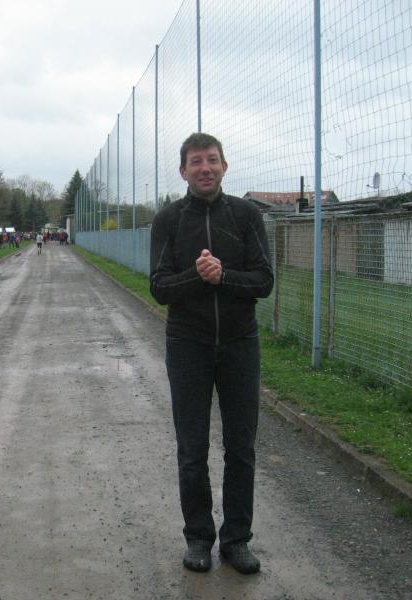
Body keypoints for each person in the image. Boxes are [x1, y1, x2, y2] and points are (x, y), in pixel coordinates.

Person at [149, 133, 274, 575]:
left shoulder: (245, 215)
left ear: (224, 166)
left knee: (241, 447)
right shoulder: (168, 219)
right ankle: (199, 538)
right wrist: (198, 276)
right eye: (196, 161)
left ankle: (236, 540)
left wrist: (224, 277)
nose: (205, 168)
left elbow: (264, 280)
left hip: (240, 344)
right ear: (183, 171)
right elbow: (160, 287)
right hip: (188, 345)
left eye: (212, 160)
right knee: (192, 448)